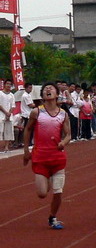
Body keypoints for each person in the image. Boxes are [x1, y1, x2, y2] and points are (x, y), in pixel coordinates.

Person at [23, 82, 71, 229]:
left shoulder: (63, 114)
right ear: (42, 95)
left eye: (51, 89)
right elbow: (27, 130)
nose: (48, 90)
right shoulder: (36, 112)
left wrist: (63, 142)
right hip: (40, 158)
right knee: (42, 193)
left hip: (57, 157)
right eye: (45, 89)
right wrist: (26, 151)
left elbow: (68, 134)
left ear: (57, 94)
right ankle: (48, 178)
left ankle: (52, 217)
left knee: (58, 191)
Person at [0, 79, 16, 152]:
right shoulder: (0, 93)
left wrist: (9, 113)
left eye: (10, 84)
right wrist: (5, 112)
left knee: (8, 131)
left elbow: (13, 105)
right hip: (1, 114)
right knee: (1, 130)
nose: (8, 85)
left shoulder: (12, 95)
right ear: (4, 85)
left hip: (9, 116)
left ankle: (6, 147)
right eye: (7, 84)